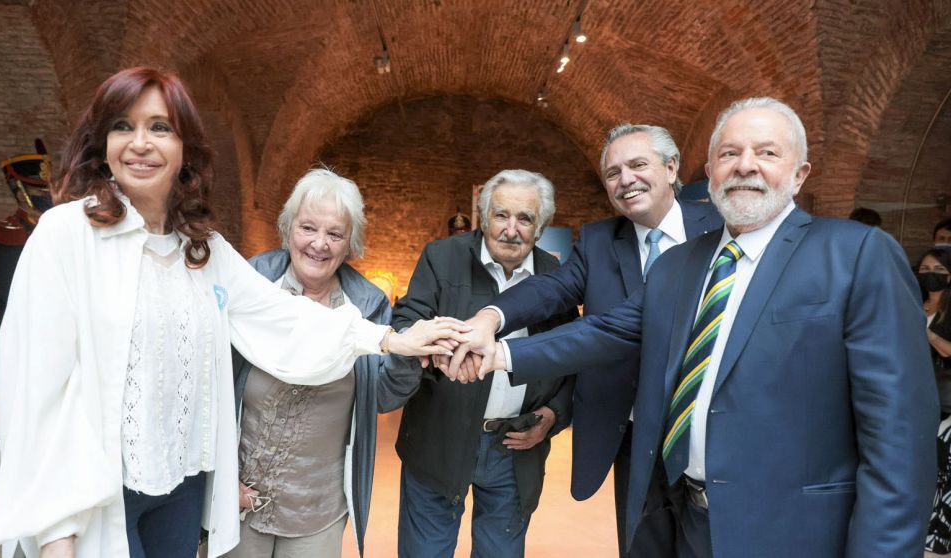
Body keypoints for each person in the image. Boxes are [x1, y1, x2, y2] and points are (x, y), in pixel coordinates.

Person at [0, 66, 466, 558]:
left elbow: (283, 317)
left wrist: (392, 340)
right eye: (122, 126)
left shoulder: (203, 251)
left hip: (183, 488)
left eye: (160, 127)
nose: (140, 143)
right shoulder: (66, 235)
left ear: (185, 150)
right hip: (99, 493)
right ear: (102, 143)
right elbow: (34, 388)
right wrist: (55, 530)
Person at [454, 97, 937, 557]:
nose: (745, 165)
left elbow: (898, 441)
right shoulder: (678, 265)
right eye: (729, 153)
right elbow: (607, 330)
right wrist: (496, 350)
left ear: (799, 173)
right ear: (708, 174)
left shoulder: (856, 255)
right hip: (676, 510)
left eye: (766, 152)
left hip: (790, 526)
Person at [455, 123, 722, 556]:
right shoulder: (599, 240)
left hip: (706, 432)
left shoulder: (721, 227)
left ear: (671, 167)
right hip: (631, 433)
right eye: (613, 173)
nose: (625, 180)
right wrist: (491, 316)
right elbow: (552, 290)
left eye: (638, 165)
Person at [226, 169, 422, 557]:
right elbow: (211, 386)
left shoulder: (366, 306)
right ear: (288, 229)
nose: (319, 244)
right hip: (238, 497)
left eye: (335, 234)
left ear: (350, 243)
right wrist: (219, 481)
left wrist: (406, 351)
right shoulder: (251, 283)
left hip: (318, 508)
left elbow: (381, 396)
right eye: (308, 228)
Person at [392, 169, 578, 558]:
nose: (511, 229)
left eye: (525, 219)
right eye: (501, 215)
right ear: (482, 217)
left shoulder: (556, 276)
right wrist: (437, 346)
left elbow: (572, 356)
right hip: (439, 439)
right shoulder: (441, 258)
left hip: (515, 450)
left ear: (541, 227)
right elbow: (407, 321)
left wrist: (553, 416)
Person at [0, 140, 54, 501]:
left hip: (45, 331)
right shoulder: (9, 231)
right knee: (8, 407)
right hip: (16, 329)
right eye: (37, 189)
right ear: (19, 188)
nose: (46, 196)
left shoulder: (51, 227)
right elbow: (15, 292)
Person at [922, 248, 951, 555]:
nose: (930, 273)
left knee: (944, 471)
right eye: (925, 267)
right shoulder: (914, 300)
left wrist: (924, 330)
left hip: (945, 401)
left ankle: (939, 536)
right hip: (918, 395)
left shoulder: (948, 310)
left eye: (938, 268)